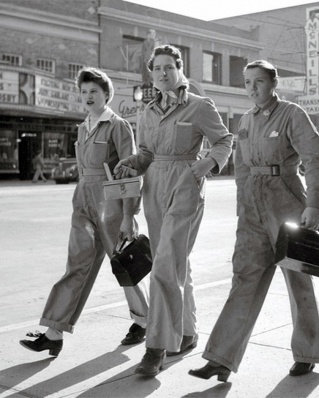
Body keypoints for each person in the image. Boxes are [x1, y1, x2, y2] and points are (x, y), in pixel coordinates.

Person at [189, 60, 319, 383]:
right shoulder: (245, 121)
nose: (252, 88)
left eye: (259, 81)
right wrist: (243, 209)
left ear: (273, 83)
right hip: (252, 208)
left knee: (298, 280)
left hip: (286, 204)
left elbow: (314, 158)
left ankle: (309, 352)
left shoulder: (292, 114)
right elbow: (240, 169)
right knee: (244, 278)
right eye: (247, 82)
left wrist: (313, 205)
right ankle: (221, 358)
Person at [114, 44, 233, 376]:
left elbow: (224, 140)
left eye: (169, 67)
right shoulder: (146, 112)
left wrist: (207, 163)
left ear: (180, 70)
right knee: (177, 263)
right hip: (154, 187)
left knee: (165, 264)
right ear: (151, 74)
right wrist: (132, 162)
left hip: (185, 186)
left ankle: (156, 347)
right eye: (157, 69)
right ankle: (187, 332)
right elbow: (148, 153)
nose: (163, 73)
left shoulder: (199, 106)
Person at [20, 67, 149, 356]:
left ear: (107, 94)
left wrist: (129, 214)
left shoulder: (118, 126)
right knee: (76, 265)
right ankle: (54, 332)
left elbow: (130, 173)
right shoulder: (83, 127)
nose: (88, 96)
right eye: (84, 92)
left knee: (124, 263)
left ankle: (144, 320)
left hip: (111, 202)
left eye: (94, 91)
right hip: (84, 200)